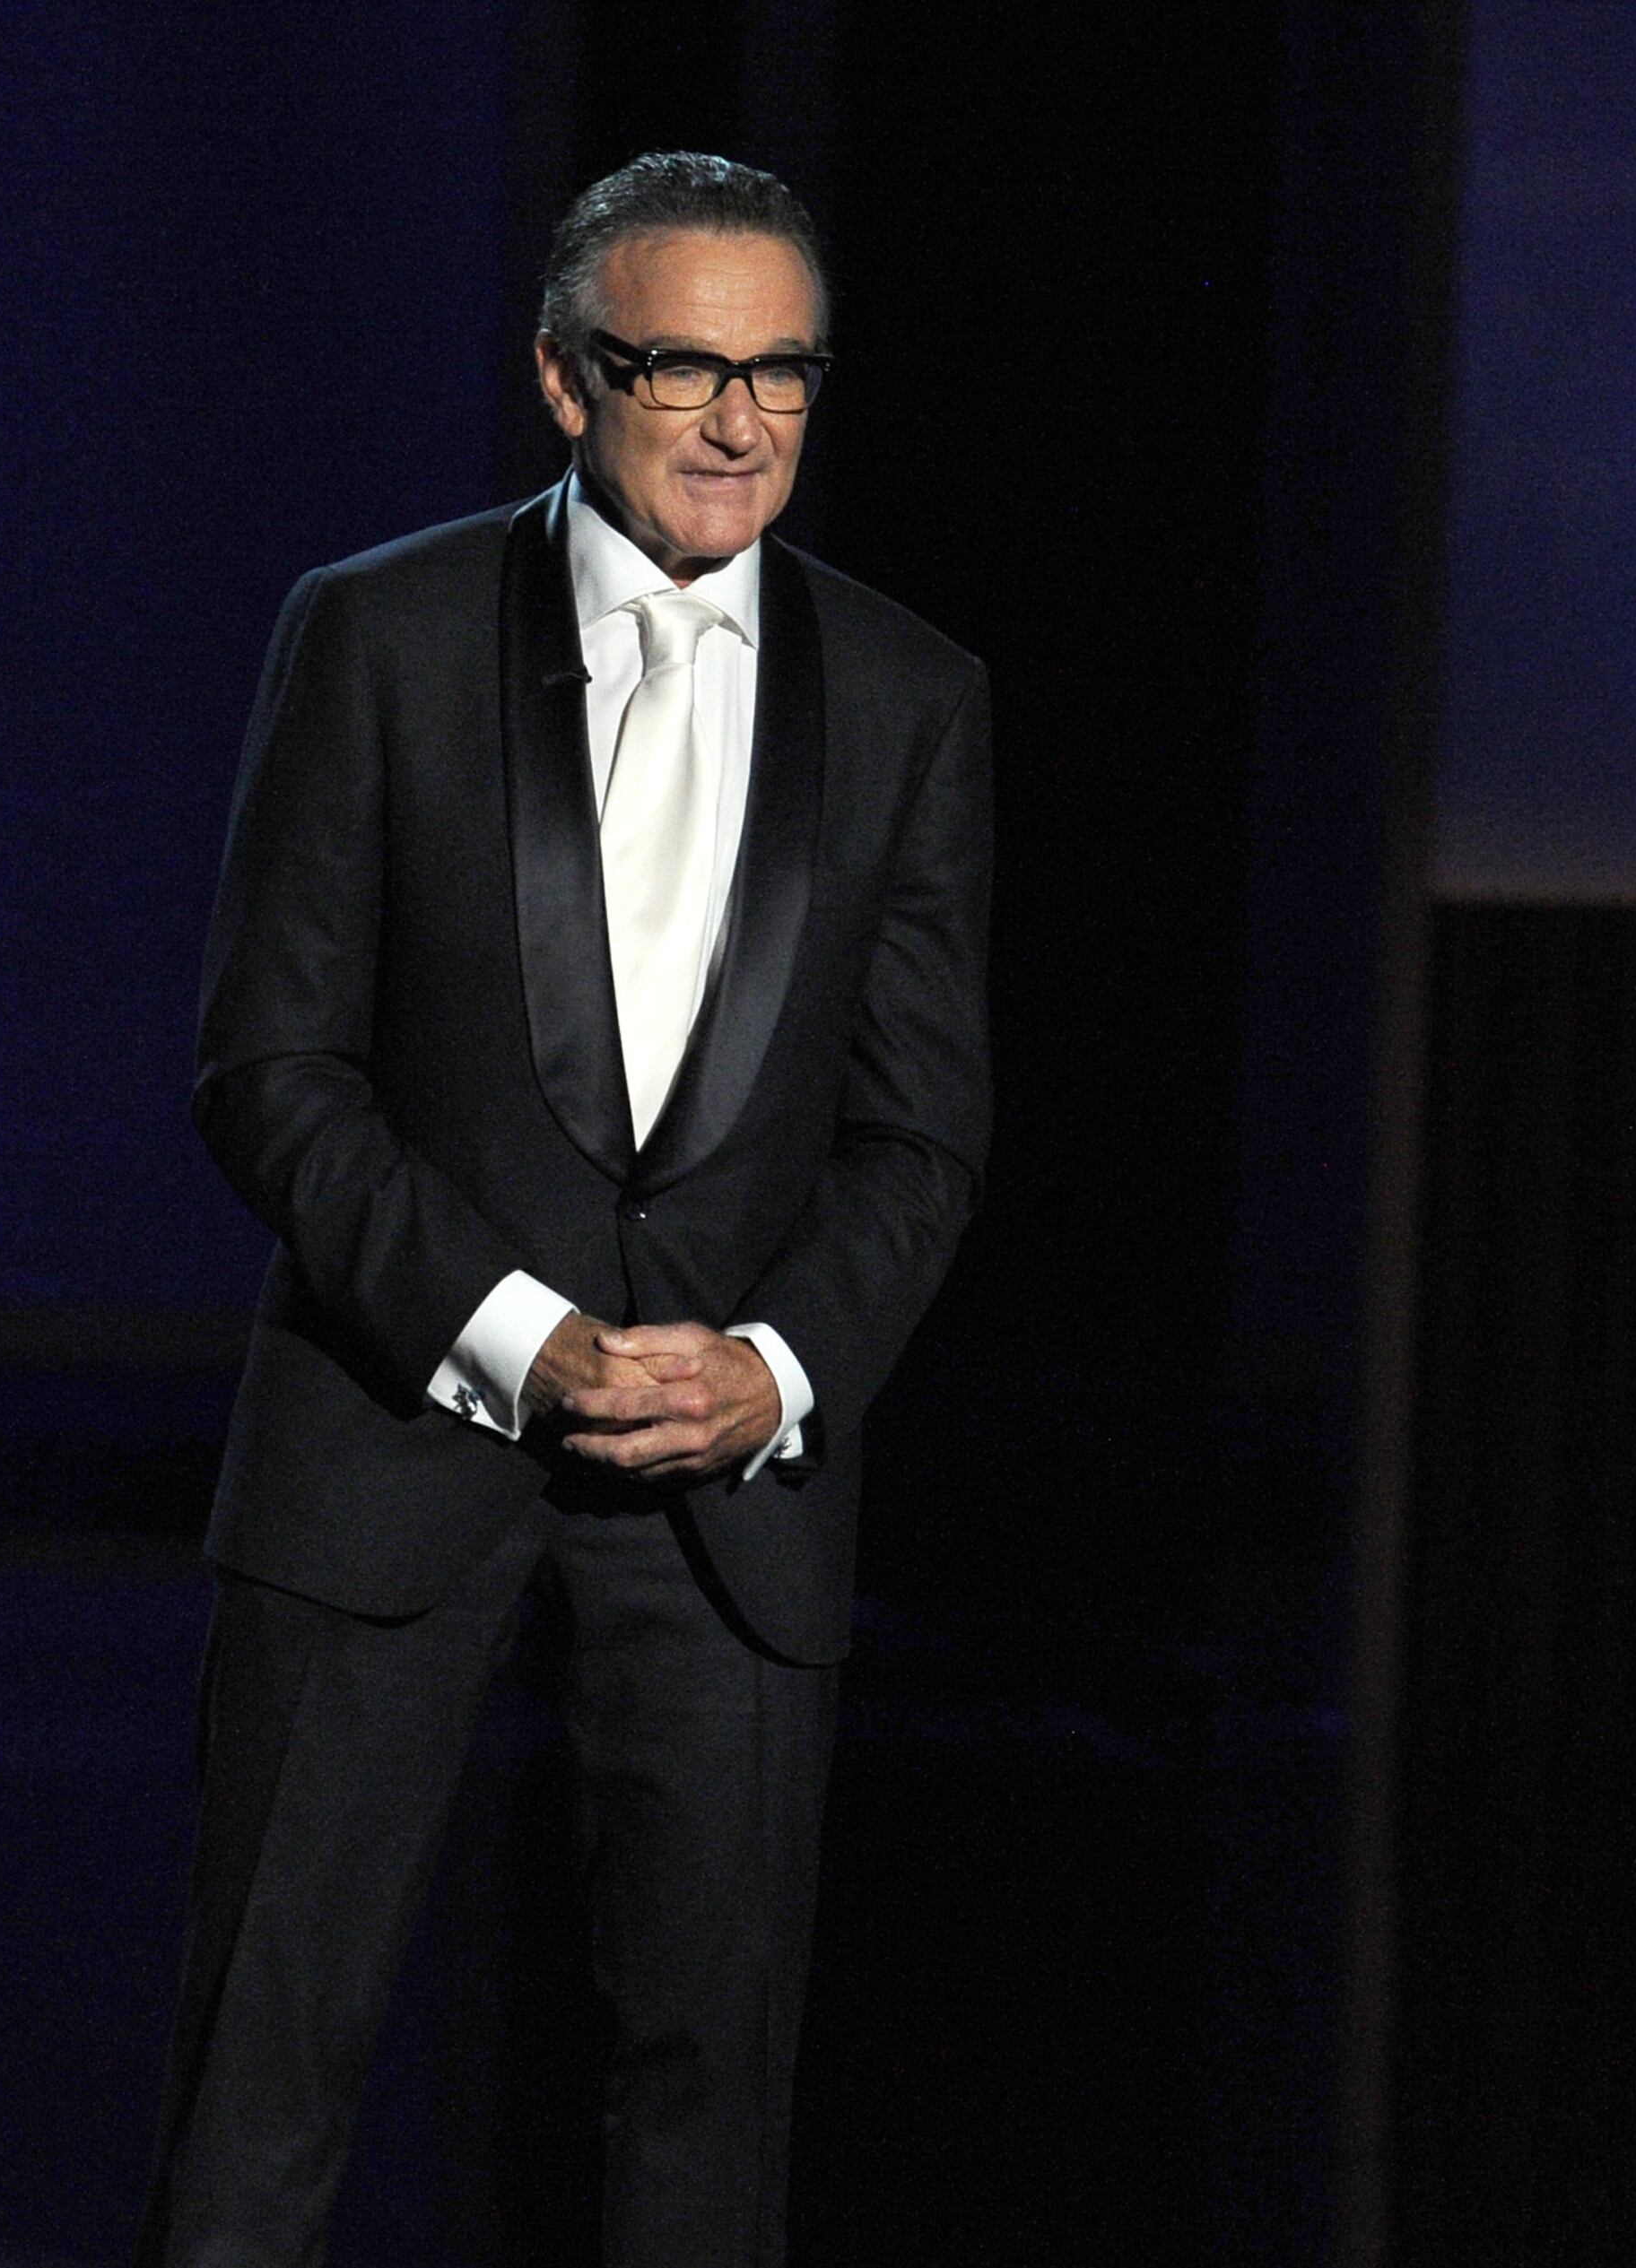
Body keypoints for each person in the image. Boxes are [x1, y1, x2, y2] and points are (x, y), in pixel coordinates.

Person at [136, 151, 990, 2266]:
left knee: (710, 2095)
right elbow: (270, 1069)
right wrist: (521, 1332)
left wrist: (770, 1367)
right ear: (559, 373)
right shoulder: (380, 632)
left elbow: (920, 1133)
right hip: (391, 1439)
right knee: (269, 2067)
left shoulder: (910, 695)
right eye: (681, 361)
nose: (735, 420)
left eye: (781, 372)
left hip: (736, 1495)